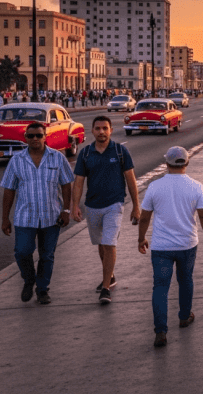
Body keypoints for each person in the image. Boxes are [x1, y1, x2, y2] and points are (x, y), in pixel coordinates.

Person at [137, 147, 203, 348]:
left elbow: (144, 216)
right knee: (185, 280)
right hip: (187, 244)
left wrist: (141, 238)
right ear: (187, 163)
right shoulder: (196, 186)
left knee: (160, 287)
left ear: (167, 163)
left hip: (161, 247)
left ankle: (161, 332)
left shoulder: (155, 187)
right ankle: (184, 316)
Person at [0, 122, 75, 305]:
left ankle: (42, 290)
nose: (34, 139)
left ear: (45, 136)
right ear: (25, 138)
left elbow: (66, 185)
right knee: (22, 252)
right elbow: (9, 190)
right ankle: (29, 279)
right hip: (25, 217)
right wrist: (5, 219)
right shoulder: (17, 160)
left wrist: (66, 210)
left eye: (38, 135)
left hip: (51, 216)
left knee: (47, 255)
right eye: (31, 136)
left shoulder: (57, 158)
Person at [70, 116, 140, 304]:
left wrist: (136, 206)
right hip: (92, 205)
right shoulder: (85, 154)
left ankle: (106, 288)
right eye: (98, 128)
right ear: (92, 131)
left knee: (109, 243)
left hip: (114, 204)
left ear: (110, 130)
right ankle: (111, 275)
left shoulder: (119, 151)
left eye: (105, 128)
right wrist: (74, 206)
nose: (101, 132)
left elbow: (131, 179)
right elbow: (78, 182)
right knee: (101, 244)